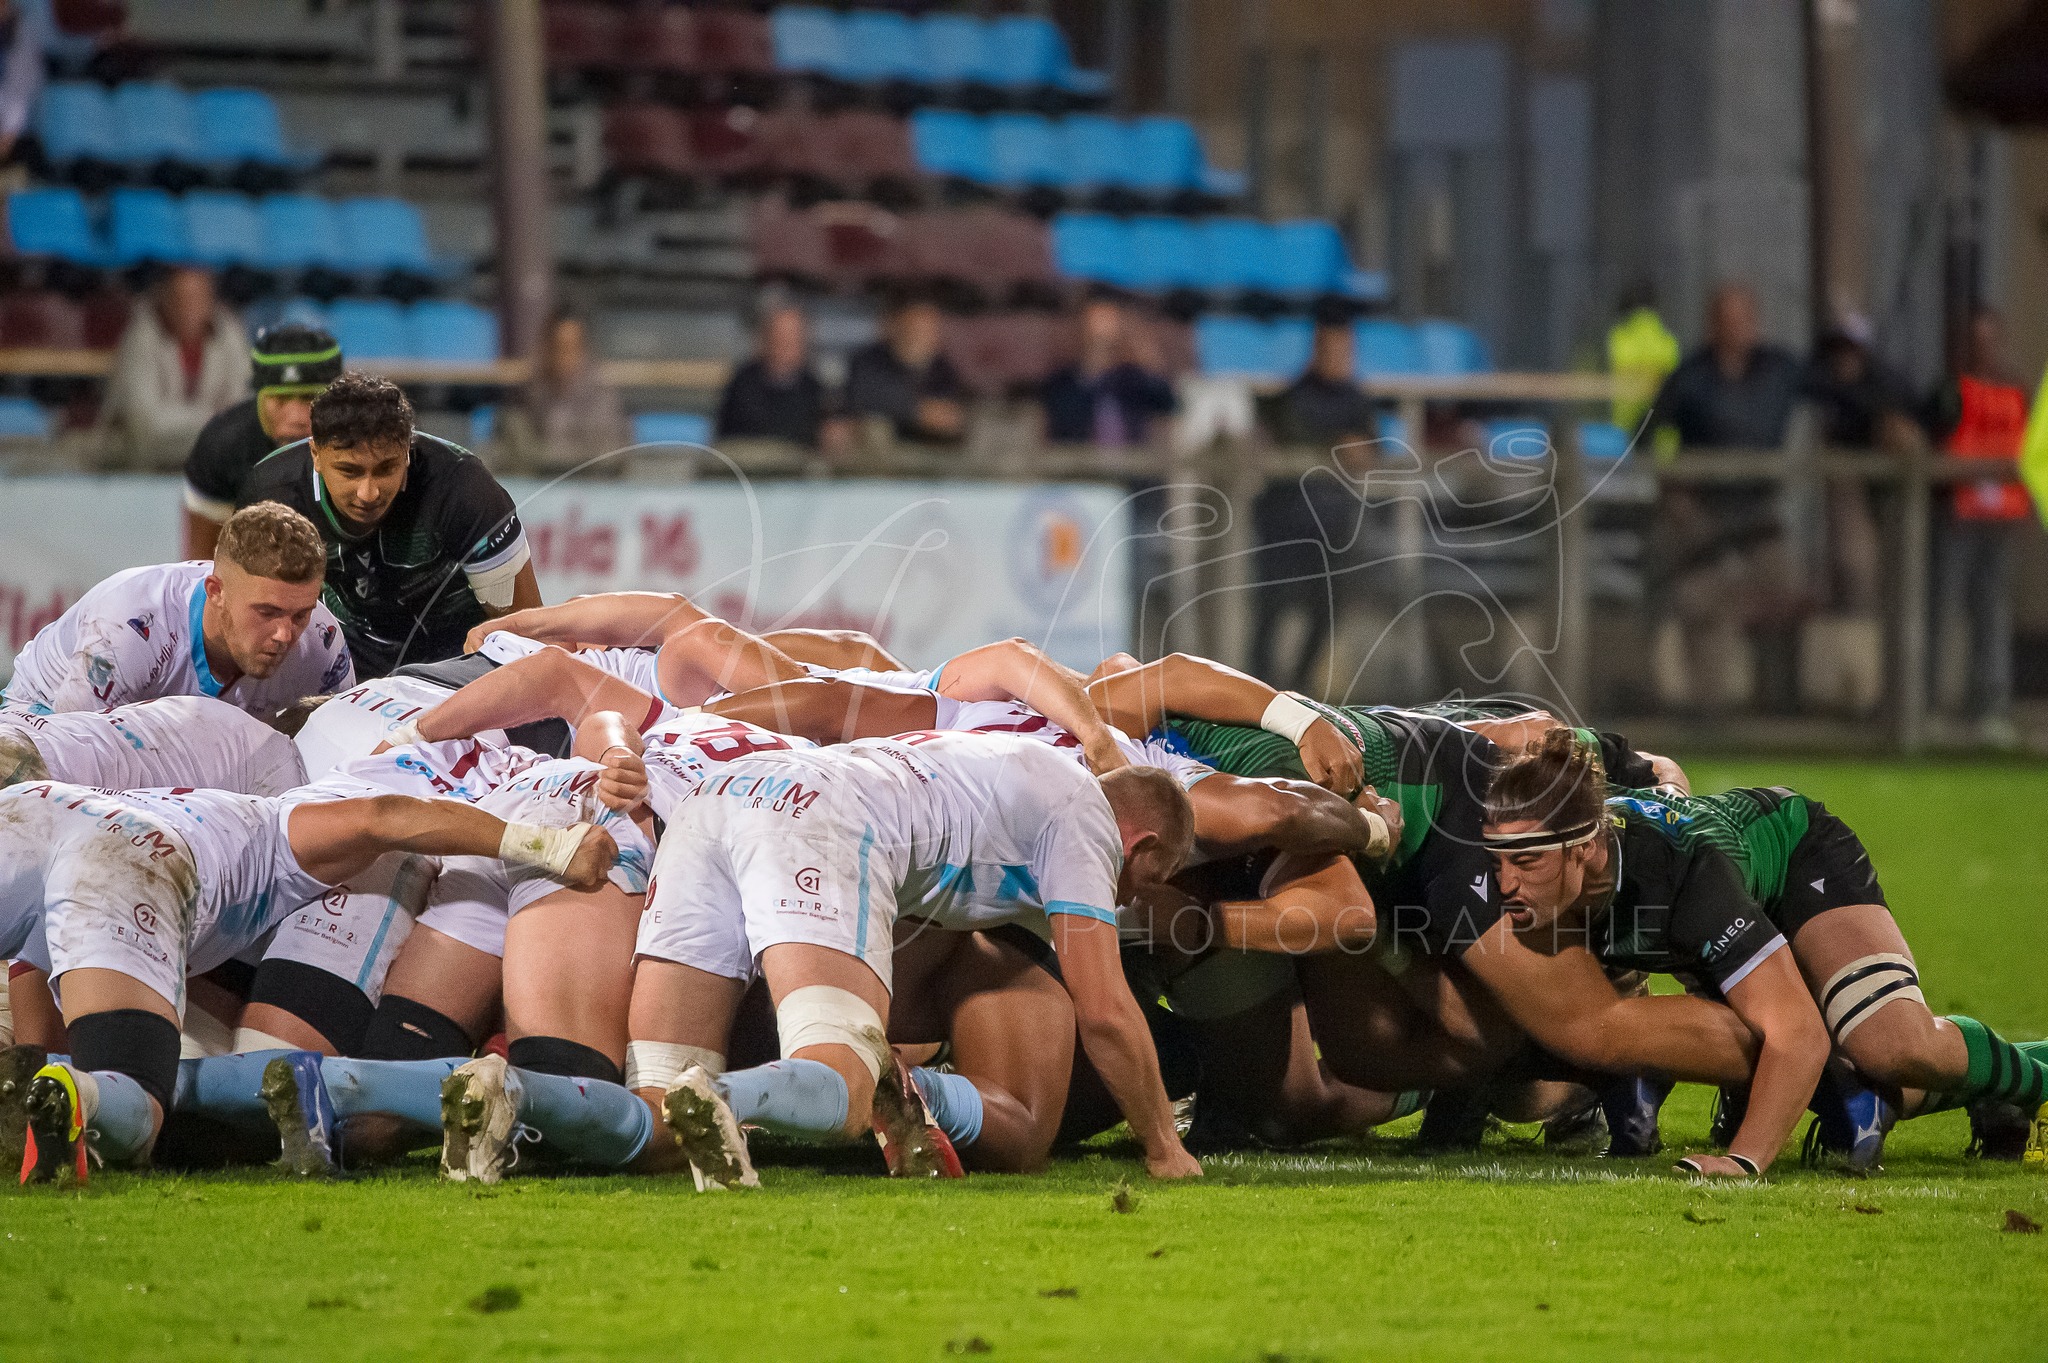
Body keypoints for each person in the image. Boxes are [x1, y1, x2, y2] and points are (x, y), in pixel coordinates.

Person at [437, 734, 1204, 1187]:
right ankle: (732, 1094)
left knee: (661, 1128)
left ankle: (510, 1094)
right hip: (821, 819)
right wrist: (1163, 1146)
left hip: (724, 797)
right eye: (1149, 878)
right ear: (1139, 844)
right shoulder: (1086, 817)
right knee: (846, 1084)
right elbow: (1103, 1004)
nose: (1134, 899)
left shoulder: (1001, 775)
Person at [1484, 729, 2048, 1173]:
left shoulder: (1680, 873)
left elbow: (1797, 1033)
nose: (1503, 882)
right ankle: (1980, 1091)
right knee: (1839, 1079)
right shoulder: (1558, 868)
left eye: (1525, 862)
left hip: (1798, 859)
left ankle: (2037, 1078)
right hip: (1714, 916)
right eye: (1497, 860)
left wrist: (1742, 1160)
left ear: (1585, 848)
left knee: (1890, 1044)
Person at [5, 776, 618, 1181]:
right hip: (126, 864)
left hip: (36, 809)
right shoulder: (271, 828)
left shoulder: (204, 799)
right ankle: (83, 1093)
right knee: (138, 1104)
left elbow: (37, 954)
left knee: (71, 1037)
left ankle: (42, 1082)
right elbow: (382, 816)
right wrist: (549, 846)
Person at [238, 371, 541, 677]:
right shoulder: (271, 495)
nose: (368, 494)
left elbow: (526, 638)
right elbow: (246, 621)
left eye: (386, 468)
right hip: (342, 660)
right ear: (316, 453)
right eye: (349, 471)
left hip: (458, 661)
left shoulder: (464, 489)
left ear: (408, 451)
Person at [2, 501, 353, 716]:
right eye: (266, 612)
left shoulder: (322, 643)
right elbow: (68, 755)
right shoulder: (129, 628)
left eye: (300, 614)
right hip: (43, 718)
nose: (285, 634)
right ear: (215, 591)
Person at [1645, 283, 1810, 712]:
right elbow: (1646, 437)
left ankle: (1781, 707)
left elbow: (1837, 394)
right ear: (1712, 325)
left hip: (1759, 516)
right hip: (1705, 516)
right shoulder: (1690, 377)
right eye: (1726, 320)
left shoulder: (1779, 370)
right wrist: (1674, 488)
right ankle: (1711, 713)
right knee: (1700, 603)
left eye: (1743, 319)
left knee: (1786, 593)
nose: (1736, 329)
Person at [1251, 321, 1381, 691]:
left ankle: (1299, 689)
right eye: (1333, 350)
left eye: (1346, 351)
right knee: (1272, 612)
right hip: (1286, 523)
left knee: (1325, 615)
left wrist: (1357, 451)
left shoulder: (1356, 400)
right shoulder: (1291, 399)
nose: (1341, 359)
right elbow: (1280, 438)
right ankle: (1259, 689)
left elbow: (1370, 453)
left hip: (1332, 527)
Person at [1923, 307, 2033, 747]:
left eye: (1990, 339)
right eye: (1975, 340)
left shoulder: (2015, 389)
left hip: (2000, 516)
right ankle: (1928, 704)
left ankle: (1989, 705)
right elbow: (1933, 439)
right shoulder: (1949, 390)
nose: (1983, 348)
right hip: (1959, 515)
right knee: (1940, 609)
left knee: (1992, 612)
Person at [182, 324, 343, 560]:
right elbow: (202, 564)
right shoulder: (222, 445)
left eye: (311, 398)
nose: (297, 417)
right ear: (259, 396)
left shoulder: (368, 439)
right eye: (281, 398)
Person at [104, 265, 250, 468]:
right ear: (164, 298)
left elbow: (242, 409)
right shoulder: (142, 335)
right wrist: (211, 417)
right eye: (180, 298)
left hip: (212, 460)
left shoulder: (228, 333)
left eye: (196, 298)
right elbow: (144, 420)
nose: (188, 307)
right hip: (141, 463)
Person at [1038, 296, 1176, 447]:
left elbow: (1168, 404)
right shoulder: (1061, 380)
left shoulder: (1133, 378)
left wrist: (1145, 352)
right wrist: (1089, 374)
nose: (1102, 333)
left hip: (1132, 462)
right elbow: (1062, 420)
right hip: (1078, 462)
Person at [507, 308, 629, 470]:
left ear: (585, 350)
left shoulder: (604, 399)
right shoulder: (526, 398)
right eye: (559, 348)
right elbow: (514, 456)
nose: (565, 358)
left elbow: (610, 456)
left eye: (573, 348)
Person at [714, 302, 844, 451]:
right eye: (782, 336)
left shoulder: (815, 389)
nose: (788, 344)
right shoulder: (742, 385)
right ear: (766, 339)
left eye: (795, 337)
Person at [842, 296, 967, 445]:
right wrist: (918, 411)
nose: (921, 337)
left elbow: (949, 412)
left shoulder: (942, 368)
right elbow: (864, 396)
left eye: (929, 330)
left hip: (926, 449)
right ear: (897, 327)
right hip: (877, 452)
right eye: (914, 328)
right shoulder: (868, 360)